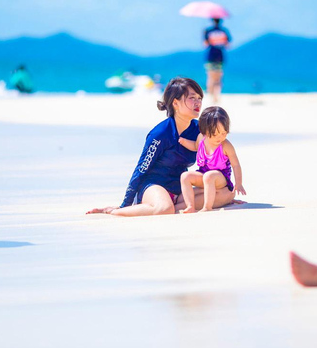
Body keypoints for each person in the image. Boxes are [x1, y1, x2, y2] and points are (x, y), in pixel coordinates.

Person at [86, 77, 235, 216]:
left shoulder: (199, 130)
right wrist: (125, 204)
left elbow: (216, 159)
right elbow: (141, 169)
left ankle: (175, 205)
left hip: (180, 187)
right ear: (175, 103)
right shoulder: (160, 134)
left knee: (227, 194)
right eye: (192, 98)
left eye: (199, 98)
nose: (198, 103)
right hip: (154, 185)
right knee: (165, 208)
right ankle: (115, 211)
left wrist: (221, 189)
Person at [178, 106, 246, 213]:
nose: (220, 137)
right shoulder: (201, 138)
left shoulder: (226, 145)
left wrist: (239, 183)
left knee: (209, 176)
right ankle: (190, 206)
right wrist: (184, 141)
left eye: (224, 133)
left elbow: (236, 165)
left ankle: (207, 207)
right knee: (185, 176)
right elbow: (195, 147)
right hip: (204, 173)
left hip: (220, 178)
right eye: (215, 134)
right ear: (204, 131)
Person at [204, 18, 232, 104]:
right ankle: (216, 96)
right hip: (220, 57)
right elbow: (228, 45)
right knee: (218, 78)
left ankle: (211, 95)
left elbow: (205, 44)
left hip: (211, 56)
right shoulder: (224, 31)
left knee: (210, 76)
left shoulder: (208, 31)